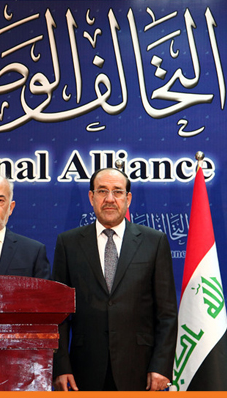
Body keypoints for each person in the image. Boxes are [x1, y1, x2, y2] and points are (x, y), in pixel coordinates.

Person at [52, 168, 177, 391]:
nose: (110, 199)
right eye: (102, 191)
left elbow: (166, 313)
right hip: (84, 372)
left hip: (140, 370)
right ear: (91, 197)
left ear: (128, 199)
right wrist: (61, 366)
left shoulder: (154, 242)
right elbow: (58, 315)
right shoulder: (68, 243)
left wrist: (161, 366)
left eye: (117, 192)